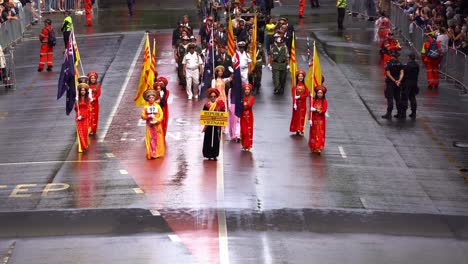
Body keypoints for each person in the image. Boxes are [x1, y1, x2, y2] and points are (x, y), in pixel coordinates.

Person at [202, 88, 226, 160]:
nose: (213, 98)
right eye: (211, 96)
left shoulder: (219, 105)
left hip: (216, 126)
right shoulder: (206, 105)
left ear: (216, 97)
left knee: (216, 139)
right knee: (208, 139)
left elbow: (223, 113)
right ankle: (208, 154)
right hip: (208, 126)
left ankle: (215, 154)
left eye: (214, 96)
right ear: (209, 97)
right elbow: (204, 115)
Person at [141, 89, 165, 159]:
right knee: (150, 139)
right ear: (148, 99)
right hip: (149, 126)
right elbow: (142, 116)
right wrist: (148, 116)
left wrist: (157, 120)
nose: (151, 99)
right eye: (150, 98)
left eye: (152, 97)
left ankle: (157, 153)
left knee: (158, 139)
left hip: (157, 126)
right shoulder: (146, 107)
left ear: (154, 98)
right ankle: (151, 153)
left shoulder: (158, 106)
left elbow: (161, 115)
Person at [382, 50, 404, 119]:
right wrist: (399, 81)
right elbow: (402, 73)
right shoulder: (400, 63)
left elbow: (388, 74)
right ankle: (399, 113)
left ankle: (389, 114)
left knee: (390, 98)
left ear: (391, 56)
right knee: (398, 98)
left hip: (391, 83)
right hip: (398, 83)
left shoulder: (389, 63)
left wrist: (394, 80)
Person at [308, 85, 328, 154]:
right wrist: (309, 118)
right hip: (314, 119)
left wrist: (316, 110)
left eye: (321, 93)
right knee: (313, 133)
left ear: (323, 94)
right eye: (318, 93)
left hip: (321, 120)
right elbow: (310, 110)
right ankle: (313, 146)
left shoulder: (324, 101)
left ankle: (318, 147)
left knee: (320, 133)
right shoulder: (314, 100)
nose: (319, 94)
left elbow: (324, 110)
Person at [290, 70, 310, 135]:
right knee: (296, 116)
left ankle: (301, 129)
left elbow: (307, 94)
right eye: (299, 76)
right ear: (297, 77)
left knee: (302, 116)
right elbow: (293, 96)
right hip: (296, 104)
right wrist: (294, 103)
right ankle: (296, 129)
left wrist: (300, 97)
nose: (300, 77)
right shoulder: (295, 86)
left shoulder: (305, 86)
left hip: (303, 104)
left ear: (303, 77)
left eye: (302, 76)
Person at [402, 52, 419, 119]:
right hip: (414, 83)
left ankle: (403, 113)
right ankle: (413, 112)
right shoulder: (417, 65)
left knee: (405, 98)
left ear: (409, 58)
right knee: (412, 97)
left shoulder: (407, 65)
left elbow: (404, 73)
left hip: (407, 82)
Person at [75, 83, 91, 153]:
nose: (82, 91)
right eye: (81, 90)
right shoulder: (77, 99)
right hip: (78, 117)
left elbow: (88, 109)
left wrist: (83, 116)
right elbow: (76, 109)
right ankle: (81, 147)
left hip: (85, 117)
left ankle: (84, 145)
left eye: (84, 90)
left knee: (84, 132)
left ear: (86, 91)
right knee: (80, 132)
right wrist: (75, 103)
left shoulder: (88, 99)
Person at [240, 83, 255, 151]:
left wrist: (244, 105)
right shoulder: (241, 98)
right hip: (242, 116)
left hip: (249, 117)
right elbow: (241, 106)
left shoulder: (252, 98)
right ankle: (244, 145)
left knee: (249, 131)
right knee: (243, 131)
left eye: (248, 89)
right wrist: (244, 105)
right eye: (246, 89)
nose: (247, 91)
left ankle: (248, 145)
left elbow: (249, 105)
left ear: (250, 90)